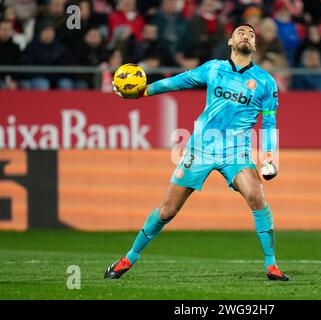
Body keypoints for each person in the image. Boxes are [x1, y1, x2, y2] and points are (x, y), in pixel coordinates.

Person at [104, 23, 289, 281]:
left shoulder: (266, 83)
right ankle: (129, 258)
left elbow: (269, 122)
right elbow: (181, 81)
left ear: (255, 45)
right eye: (240, 32)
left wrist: (270, 158)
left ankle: (272, 265)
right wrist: (145, 91)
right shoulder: (214, 68)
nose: (246, 36)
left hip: (235, 151)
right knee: (168, 210)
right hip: (200, 148)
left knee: (257, 197)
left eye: (251, 34)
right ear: (230, 41)